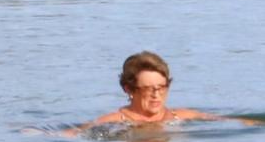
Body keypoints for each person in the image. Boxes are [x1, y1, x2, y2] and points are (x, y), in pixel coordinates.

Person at [82, 51, 229, 127]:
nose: (156, 95)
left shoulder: (181, 116)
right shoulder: (114, 121)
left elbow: (227, 121)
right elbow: (75, 133)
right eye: (148, 89)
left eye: (161, 88)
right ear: (129, 89)